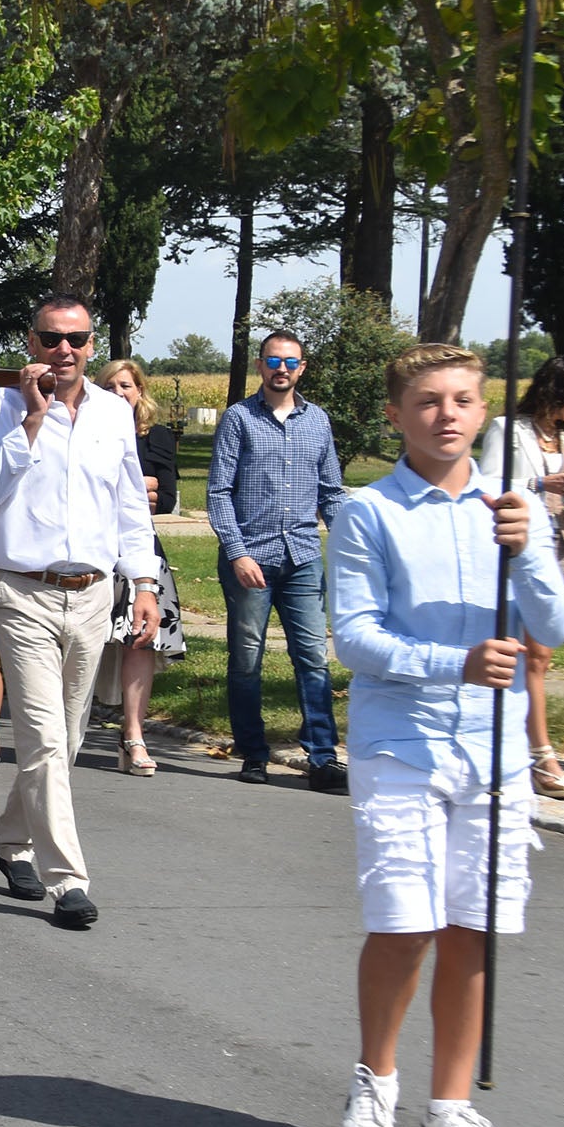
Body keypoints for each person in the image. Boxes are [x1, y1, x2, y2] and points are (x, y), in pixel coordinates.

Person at [330, 342, 564, 1127]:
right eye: (428, 401)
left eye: (463, 400)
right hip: (401, 741)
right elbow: (354, 638)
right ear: (397, 415)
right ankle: (375, 1084)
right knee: (404, 922)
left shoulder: (512, 510)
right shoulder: (368, 512)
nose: (447, 415)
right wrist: (454, 663)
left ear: (481, 412)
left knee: (474, 929)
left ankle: (450, 1108)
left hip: (494, 750)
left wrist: (530, 547)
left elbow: (557, 624)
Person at [0, 295, 158, 932]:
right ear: (31, 341)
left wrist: (146, 580)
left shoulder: (112, 413)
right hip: (24, 592)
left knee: (67, 739)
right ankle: (68, 881)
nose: (64, 351)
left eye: (75, 339)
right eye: (51, 338)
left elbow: (130, 501)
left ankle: (13, 838)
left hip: (95, 593)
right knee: (45, 737)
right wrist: (30, 421)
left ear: (92, 343)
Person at [206, 329, 348, 790]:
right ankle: (254, 754)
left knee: (313, 658)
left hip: (303, 556)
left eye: (290, 361)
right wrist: (238, 551)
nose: (281, 368)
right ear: (261, 366)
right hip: (252, 560)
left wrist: (354, 541)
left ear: (301, 368)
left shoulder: (318, 421)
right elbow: (219, 493)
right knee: (247, 660)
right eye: (273, 361)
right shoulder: (239, 419)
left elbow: (330, 492)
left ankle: (323, 757)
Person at [475, 354, 564, 801]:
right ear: (559, 392)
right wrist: (539, 487)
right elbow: (486, 487)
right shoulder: (508, 430)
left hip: (561, 548)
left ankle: (516, 746)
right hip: (519, 549)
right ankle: (542, 756)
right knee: (533, 655)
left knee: (540, 653)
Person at [97, 359, 187, 777]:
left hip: (139, 547)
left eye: (127, 386)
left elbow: (164, 498)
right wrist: (138, 487)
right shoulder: (87, 428)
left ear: (140, 391)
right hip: (90, 547)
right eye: (111, 385)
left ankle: (132, 735)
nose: (119, 392)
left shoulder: (158, 437)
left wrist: (137, 489)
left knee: (140, 640)